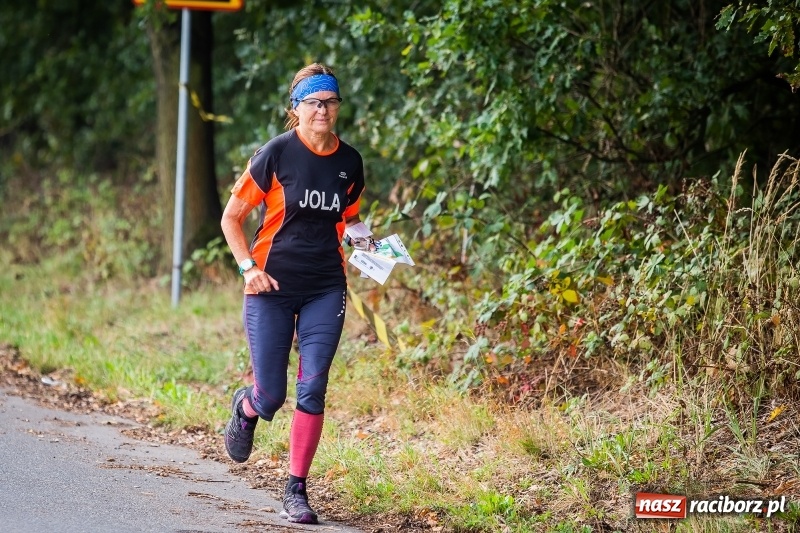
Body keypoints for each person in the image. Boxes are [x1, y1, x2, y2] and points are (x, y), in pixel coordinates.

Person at [220, 63, 366, 525]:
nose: (322, 110)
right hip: (272, 287)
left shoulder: (350, 162)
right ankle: (247, 406)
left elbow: (351, 218)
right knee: (272, 396)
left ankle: (296, 491)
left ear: (339, 107)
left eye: (330, 102)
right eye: (313, 102)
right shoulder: (276, 155)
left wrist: (368, 246)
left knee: (314, 386)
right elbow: (232, 218)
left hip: (326, 285)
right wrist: (248, 268)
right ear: (296, 109)